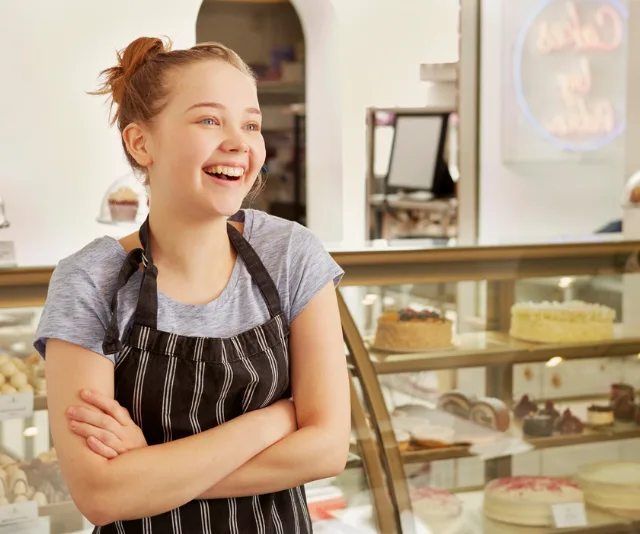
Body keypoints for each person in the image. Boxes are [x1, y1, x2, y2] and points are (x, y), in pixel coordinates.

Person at [34, 36, 350, 533]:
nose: (239, 142)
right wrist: (275, 420)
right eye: (209, 120)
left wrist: (150, 472)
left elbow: (329, 448)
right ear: (141, 142)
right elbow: (100, 494)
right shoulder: (91, 280)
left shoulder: (291, 255)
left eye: (250, 123)